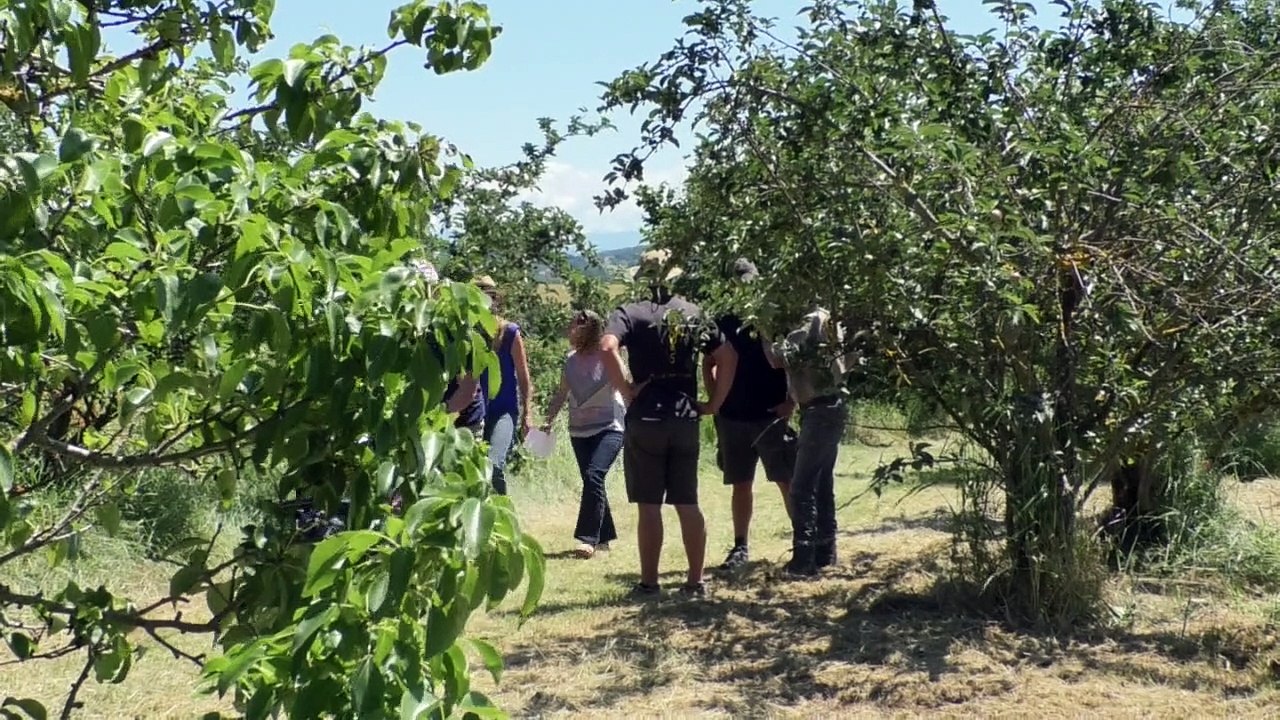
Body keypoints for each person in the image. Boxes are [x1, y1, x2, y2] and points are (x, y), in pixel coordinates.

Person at [601, 248, 737, 598]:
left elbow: (606, 347)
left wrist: (628, 390)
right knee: (687, 501)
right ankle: (695, 582)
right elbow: (727, 355)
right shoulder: (693, 313)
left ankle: (649, 583)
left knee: (650, 505)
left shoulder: (630, 312)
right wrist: (714, 403)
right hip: (684, 414)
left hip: (646, 415)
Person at [704, 259, 797, 571]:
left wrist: (791, 402)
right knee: (741, 483)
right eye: (742, 281)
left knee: (785, 479)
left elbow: (792, 362)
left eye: (751, 281)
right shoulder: (722, 321)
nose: (746, 286)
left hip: (770, 413)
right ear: (733, 283)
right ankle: (740, 547)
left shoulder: (771, 318)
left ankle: (804, 543)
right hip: (733, 416)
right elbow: (708, 363)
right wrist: (716, 403)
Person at [766, 306, 853, 577]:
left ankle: (803, 561)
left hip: (818, 410)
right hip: (832, 406)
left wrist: (764, 331)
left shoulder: (810, 322)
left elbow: (778, 359)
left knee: (801, 488)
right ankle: (826, 553)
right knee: (822, 483)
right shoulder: (829, 318)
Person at [542, 310, 624, 558]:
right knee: (593, 482)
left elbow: (625, 383)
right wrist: (548, 420)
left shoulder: (608, 356)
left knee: (593, 476)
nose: (570, 330)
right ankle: (604, 539)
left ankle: (587, 539)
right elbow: (561, 393)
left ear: (589, 330)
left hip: (610, 427)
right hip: (579, 430)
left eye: (576, 326)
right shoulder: (570, 360)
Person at [474, 275, 533, 495]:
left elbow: (523, 375)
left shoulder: (509, 333)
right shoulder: (465, 333)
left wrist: (527, 413)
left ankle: (502, 517)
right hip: (472, 411)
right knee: (473, 471)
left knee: (495, 465)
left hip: (503, 411)